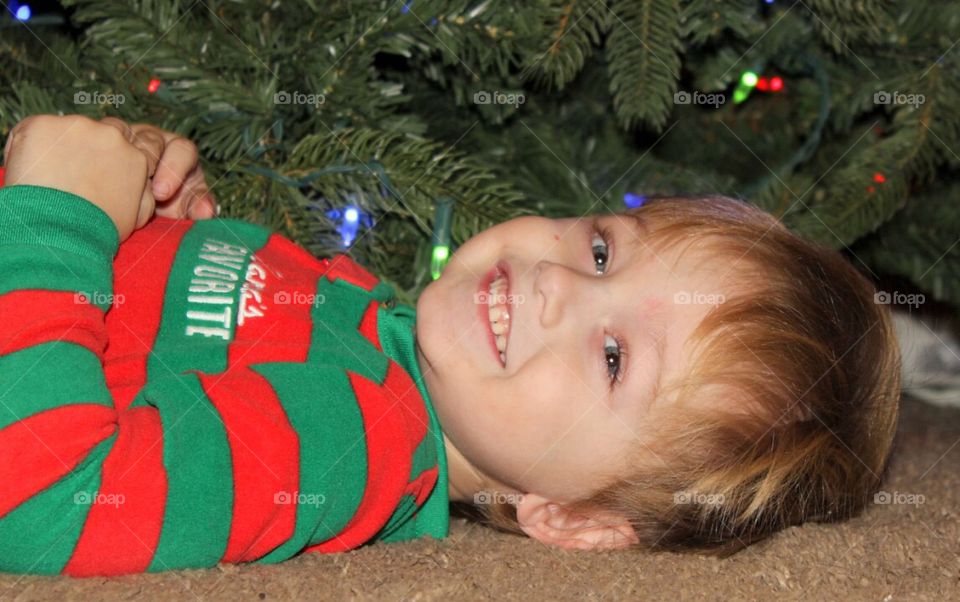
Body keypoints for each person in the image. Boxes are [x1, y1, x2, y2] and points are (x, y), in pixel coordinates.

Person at [0, 114, 901, 577]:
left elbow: (49, 499)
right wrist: (155, 229)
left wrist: (57, 218)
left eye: (616, 357)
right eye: (602, 252)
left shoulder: (349, 439)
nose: (561, 286)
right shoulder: (365, 327)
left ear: (572, 517)